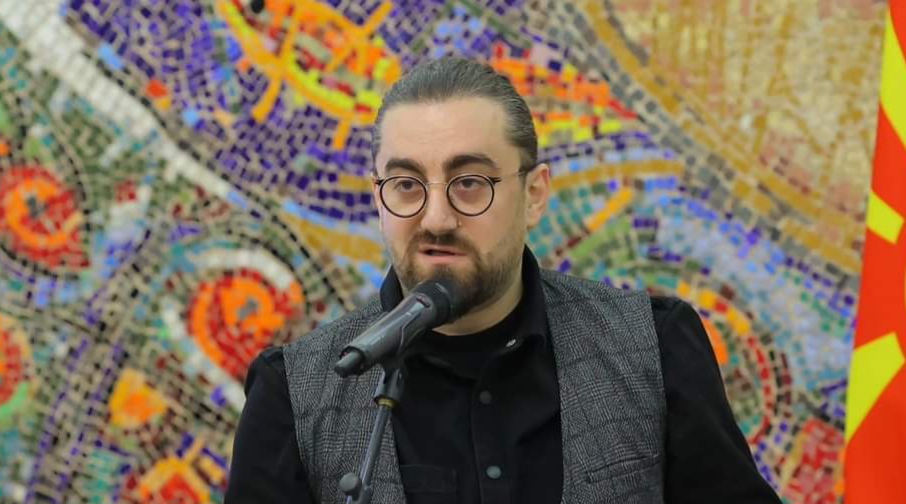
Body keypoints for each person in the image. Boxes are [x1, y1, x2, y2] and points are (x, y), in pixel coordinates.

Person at [225, 57, 780, 504]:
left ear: (534, 195)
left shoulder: (656, 348)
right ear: (378, 198)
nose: (436, 218)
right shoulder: (292, 394)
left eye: (469, 182)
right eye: (406, 185)